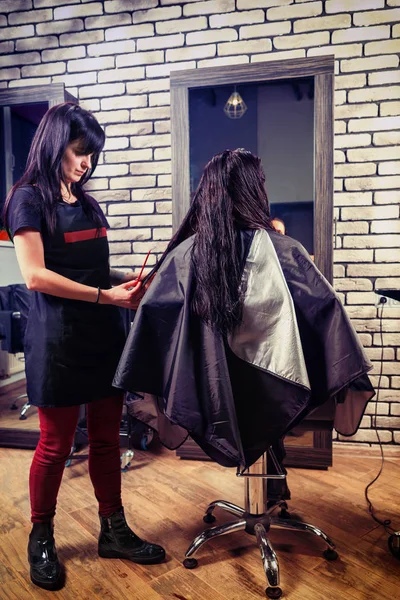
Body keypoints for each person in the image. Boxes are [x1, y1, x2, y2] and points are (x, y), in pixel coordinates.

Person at [113, 148, 374, 486]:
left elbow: (154, 332)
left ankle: (267, 488)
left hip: (209, 393)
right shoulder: (287, 251)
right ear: (255, 190)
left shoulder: (185, 255)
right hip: (275, 391)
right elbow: (328, 322)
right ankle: (271, 486)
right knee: (265, 394)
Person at [2, 103, 165, 592]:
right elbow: (34, 276)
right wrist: (104, 295)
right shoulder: (27, 200)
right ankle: (42, 535)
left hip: (103, 335)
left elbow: (92, 271)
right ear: (55, 144)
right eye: (80, 152)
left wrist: (130, 283)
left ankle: (113, 529)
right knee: (54, 444)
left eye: (92, 154)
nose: (87, 162)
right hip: (58, 339)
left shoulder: (89, 204)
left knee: (105, 439)